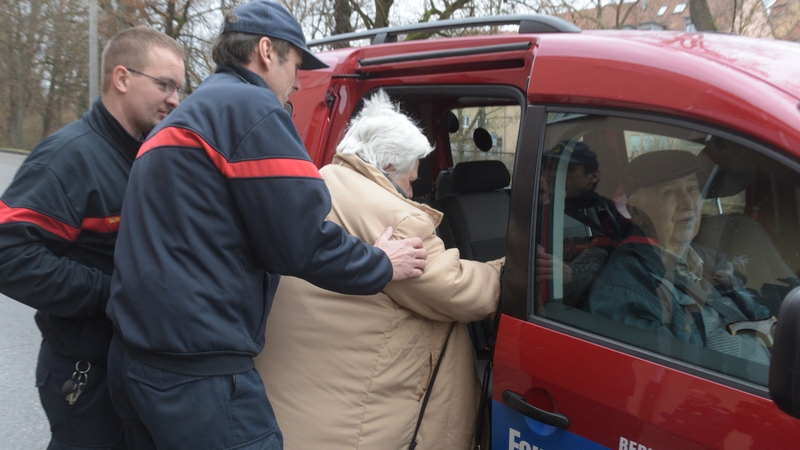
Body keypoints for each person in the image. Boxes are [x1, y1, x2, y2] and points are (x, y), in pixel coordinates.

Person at [104, 2, 427, 450]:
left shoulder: (186, 116)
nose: (298, 81)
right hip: (197, 378)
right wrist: (381, 263)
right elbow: (300, 240)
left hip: (134, 364)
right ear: (265, 51)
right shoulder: (251, 108)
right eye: (296, 64)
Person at [256, 90, 502, 450]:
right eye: (410, 180)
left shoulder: (320, 181)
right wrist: (511, 269)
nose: (414, 191)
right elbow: (461, 293)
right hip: (355, 428)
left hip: (294, 412)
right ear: (387, 168)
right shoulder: (394, 216)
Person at [0, 26, 184, 449]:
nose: (175, 99)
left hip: (129, 370)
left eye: (179, 88)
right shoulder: (70, 155)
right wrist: (113, 293)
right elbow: (8, 254)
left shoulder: (144, 155)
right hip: (85, 375)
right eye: (165, 84)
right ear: (122, 78)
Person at [589, 150, 773, 364]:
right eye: (670, 192)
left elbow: (761, 316)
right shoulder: (623, 288)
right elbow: (676, 377)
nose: (689, 202)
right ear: (637, 212)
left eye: (693, 188)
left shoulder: (711, 262)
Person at [537, 140, 630, 307]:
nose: (554, 174)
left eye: (567, 169)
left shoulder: (611, 211)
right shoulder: (536, 208)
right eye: (551, 167)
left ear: (594, 176)